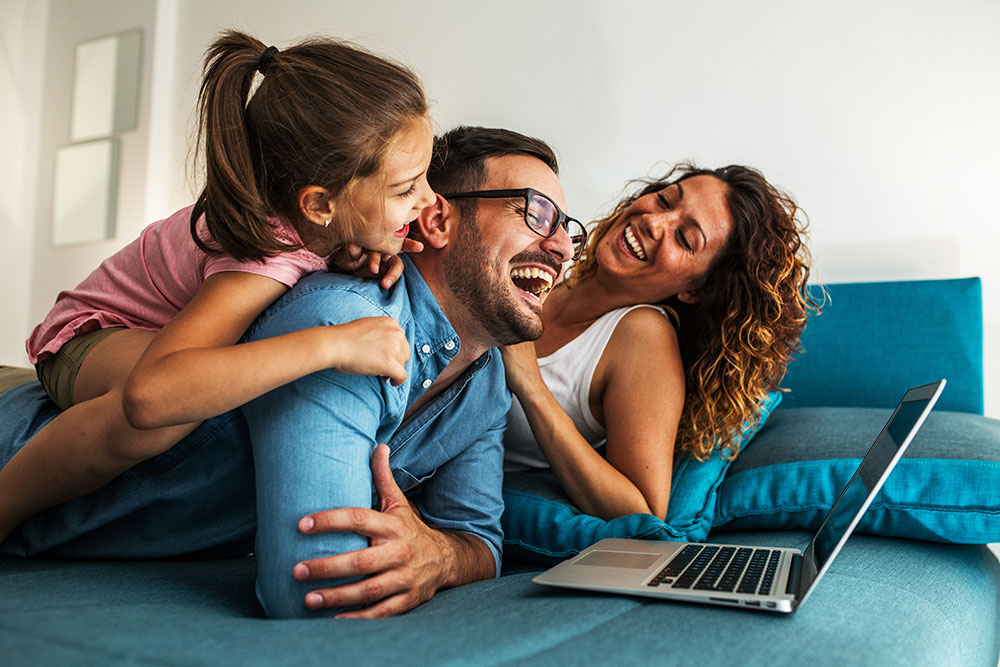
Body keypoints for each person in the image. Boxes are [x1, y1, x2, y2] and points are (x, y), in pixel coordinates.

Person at [0, 126, 582, 620]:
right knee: (145, 397)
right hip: (42, 423)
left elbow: (478, 539)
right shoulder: (343, 320)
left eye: (570, 230)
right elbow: (312, 591)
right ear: (435, 221)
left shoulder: (484, 384)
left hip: (97, 501)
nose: (562, 246)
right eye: (537, 213)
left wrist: (440, 555)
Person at [0, 30, 435, 545]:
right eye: (407, 189)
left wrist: (349, 244)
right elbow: (150, 394)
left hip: (151, 329)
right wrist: (334, 345)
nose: (428, 200)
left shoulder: (318, 225)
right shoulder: (263, 255)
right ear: (318, 205)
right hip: (85, 338)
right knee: (166, 414)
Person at [502, 164, 815, 521]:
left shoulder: (642, 336)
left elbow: (645, 511)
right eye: (665, 200)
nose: (654, 222)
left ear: (696, 289)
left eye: (685, 239)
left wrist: (531, 386)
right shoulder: (555, 262)